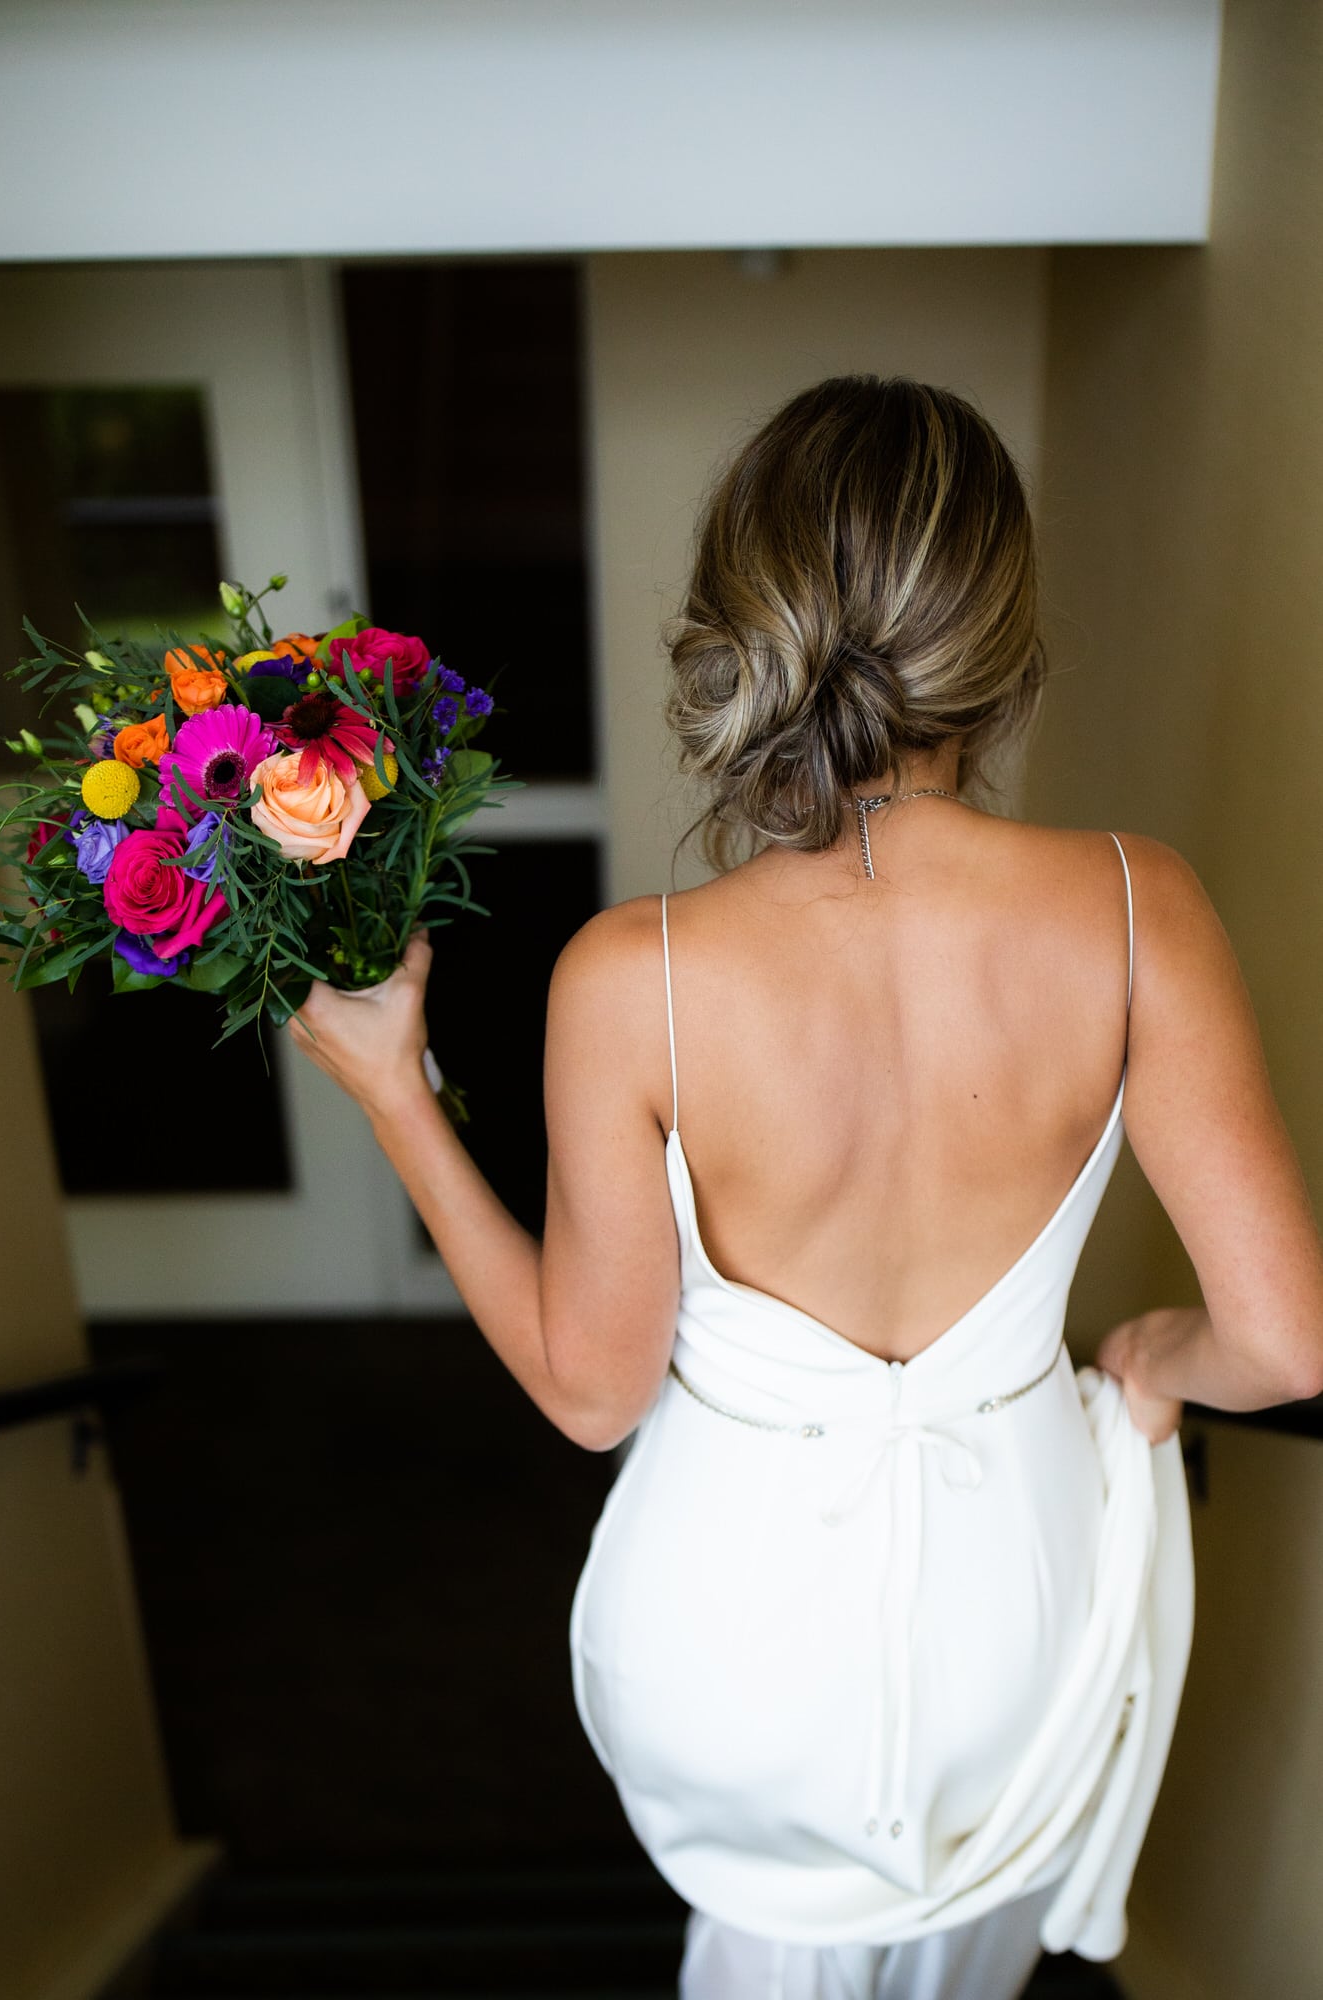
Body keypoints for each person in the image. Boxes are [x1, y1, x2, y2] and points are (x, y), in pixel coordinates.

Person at [289, 376, 1323, 1999]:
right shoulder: (1140, 907)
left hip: (739, 1638)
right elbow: (1281, 1344)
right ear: (999, 634)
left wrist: (390, 1093)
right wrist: (1146, 1364)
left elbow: (589, 1393)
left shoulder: (630, 975)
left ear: (735, 615)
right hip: (1020, 1618)